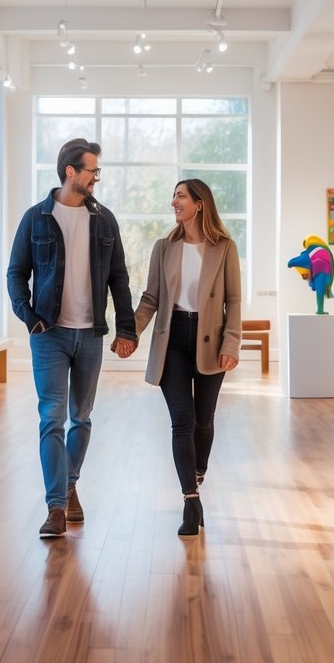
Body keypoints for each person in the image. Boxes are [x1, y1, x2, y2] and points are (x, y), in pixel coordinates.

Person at [8, 138, 138, 538]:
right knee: (52, 418)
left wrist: (126, 327)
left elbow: (119, 277)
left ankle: (68, 484)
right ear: (70, 172)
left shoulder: (104, 220)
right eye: (91, 170)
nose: (95, 177)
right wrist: (29, 318)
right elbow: (16, 273)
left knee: (81, 418)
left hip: (91, 335)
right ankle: (56, 507)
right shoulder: (36, 218)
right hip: (49, 335)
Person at [123, 179, 241, 536]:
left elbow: (233, 301)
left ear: (199, 203)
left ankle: (197, 473)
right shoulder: (164, 247)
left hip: (210, 342)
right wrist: (130, 333)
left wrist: (231, 343)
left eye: (180, 196)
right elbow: (150, 299)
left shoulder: (224, 248)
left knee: (204, 422)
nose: (174, 201)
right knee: (182, 421)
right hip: (172, 340)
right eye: (174, 195)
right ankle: (191, 500)